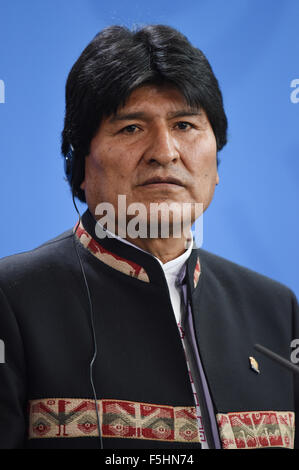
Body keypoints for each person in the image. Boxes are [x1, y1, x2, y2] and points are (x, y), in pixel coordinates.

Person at [0, 24, 298, 450]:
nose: (164, 151)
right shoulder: (12, 300)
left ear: (216, 163)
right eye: (131, 128)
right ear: (78, 162)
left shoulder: (276, 310)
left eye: (185, 125)